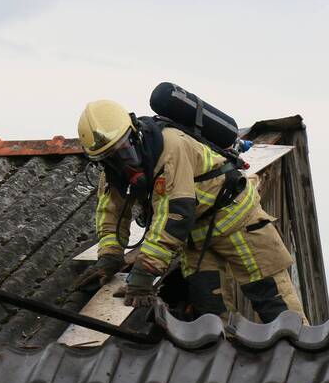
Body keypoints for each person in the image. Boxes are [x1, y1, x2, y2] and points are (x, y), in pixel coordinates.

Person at [74, 99, 308, 324]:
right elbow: (110, 213)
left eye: (124, 150)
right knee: (210, 319)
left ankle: (303, 356)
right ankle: (228, 362)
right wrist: (109, 257)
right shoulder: (113, 171)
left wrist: (144, 273)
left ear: (135, 134)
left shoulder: (171, 146)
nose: (122, 162)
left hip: (238, 222)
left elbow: (175, 216)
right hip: (197, 238)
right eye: (110, 158)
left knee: (277, 307)